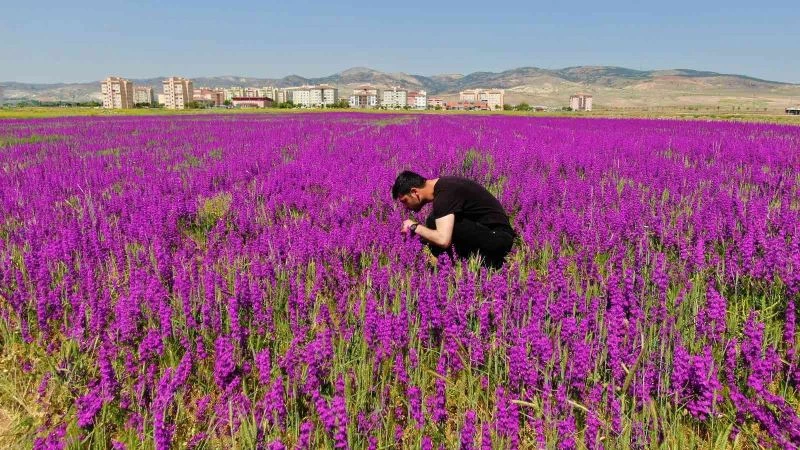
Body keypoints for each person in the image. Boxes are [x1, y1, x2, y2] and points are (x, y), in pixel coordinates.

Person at [391, 170, 516, 269]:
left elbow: (443, 240)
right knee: (433, 220)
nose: (405, 208)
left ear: (414, 192)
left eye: (405, 201)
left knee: (436, 225)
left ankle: (492, 263)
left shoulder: (445, 195)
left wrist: (415, 227)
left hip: (499, 239)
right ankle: (454, 265)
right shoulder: (444, 187)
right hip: (488, 234)